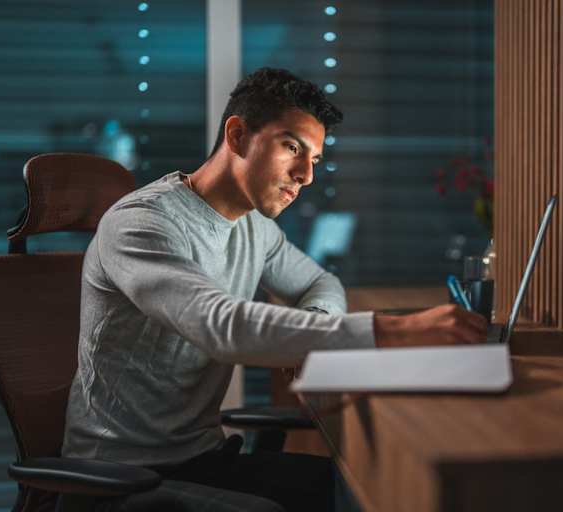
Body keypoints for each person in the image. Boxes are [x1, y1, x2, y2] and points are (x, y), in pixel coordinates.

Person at [62, 67, 488, 511]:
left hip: (201, 458)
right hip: (117, 477)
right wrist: (399, 330)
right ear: (238, 135)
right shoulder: (142, 223)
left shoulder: (253, 226)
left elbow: (320, 282)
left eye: (316, 160)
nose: (306, 175)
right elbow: (220, 325)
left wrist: (313, 337)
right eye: (292, 147)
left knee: (352, 488)